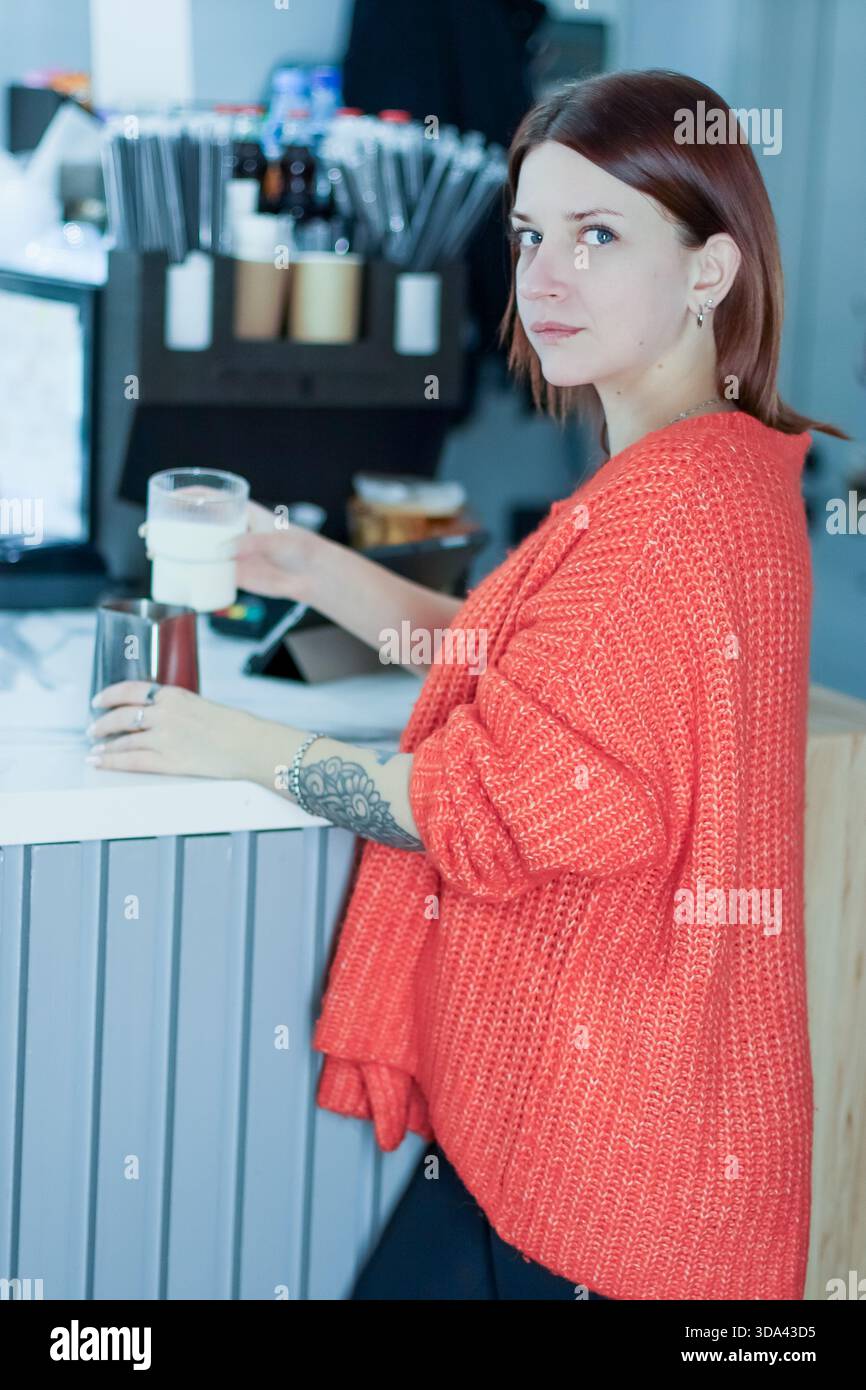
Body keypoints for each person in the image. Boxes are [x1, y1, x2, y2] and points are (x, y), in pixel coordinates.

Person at [87, 69, 848, 1300]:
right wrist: (307, 564)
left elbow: (494, 810)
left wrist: (229, 740)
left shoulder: (664, 521)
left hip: (611, 1179)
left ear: (708, 270)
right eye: (529, 235)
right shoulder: (719, 476)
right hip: (623, 1144)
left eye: (597, 236)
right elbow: (527, 662)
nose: (542, 278)